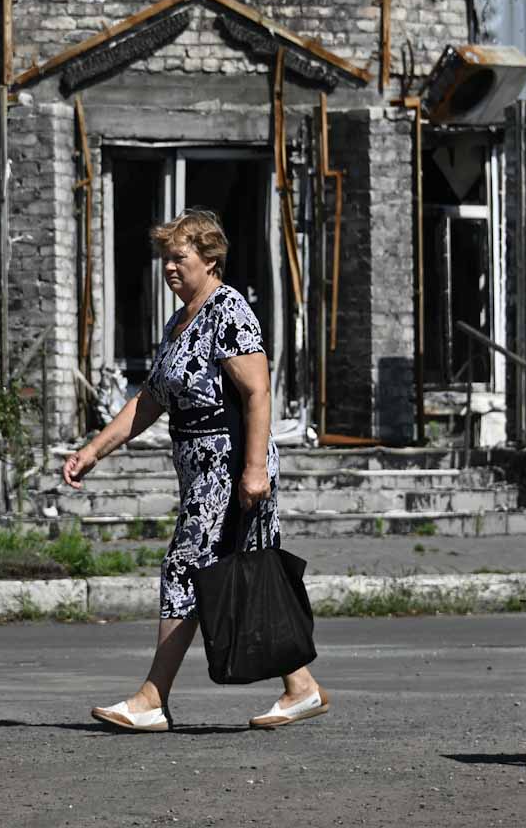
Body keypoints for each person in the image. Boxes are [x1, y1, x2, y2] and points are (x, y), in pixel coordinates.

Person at [63, 209, 329, 731]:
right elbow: (150, 401)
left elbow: (257, 391)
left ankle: (151, 698)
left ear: (210, 259)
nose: (168, 267)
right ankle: (301, 687)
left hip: (229, 466)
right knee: (242, 574)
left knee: (186, 568)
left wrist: (254, 469)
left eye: (178, 257)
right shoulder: (181, 319)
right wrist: (93, 451)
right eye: (165, 258)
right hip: (199, 468)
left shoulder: (227, 309)